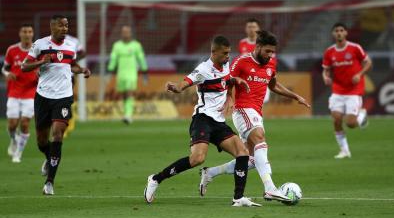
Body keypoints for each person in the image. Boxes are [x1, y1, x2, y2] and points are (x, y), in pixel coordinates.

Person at [144, 36, 261, 207]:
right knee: (198, 158)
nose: (228, 56)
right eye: (225, 53)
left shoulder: (225, 64)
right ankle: (155, 179)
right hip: (202, 120)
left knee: (243, 153)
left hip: (218, 122)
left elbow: (227, 80)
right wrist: (176, 87)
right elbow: (186, 82)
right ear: (214, 52)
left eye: (229, 53)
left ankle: (238, 198)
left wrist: (232, 89)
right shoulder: (203, 69)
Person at [199, 31, 310, 202]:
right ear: (258, 47)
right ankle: (270, 188)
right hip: (242, 109)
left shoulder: (271, 64)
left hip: (257, 112)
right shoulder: (242, 61)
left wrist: (295, 96)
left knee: (249, 159)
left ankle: (210, 172)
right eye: (267, 51)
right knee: (260, 139)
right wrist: (229, 96)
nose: (270, 55)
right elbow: (228, 78)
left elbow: (273, 85)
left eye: (272, 52)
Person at [21, 15, 91, 195]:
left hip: (64, 96)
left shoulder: (70, 46)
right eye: (62, 26)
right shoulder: (40, 44)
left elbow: (71, 65)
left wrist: (82, 70)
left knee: (58, 134)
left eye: (67, 26)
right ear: (53, 27)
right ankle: (48, 157)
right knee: (41, 141)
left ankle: (50, 182)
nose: (66, 29)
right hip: (43, 96)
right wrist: (41, 62)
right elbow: (24, 66)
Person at [322, 22, 372, 159]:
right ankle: (345, 151)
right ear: (333, 34)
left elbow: (368, 62)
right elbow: (325, 70)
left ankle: (361, 116)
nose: (339, 33)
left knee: (350, 124)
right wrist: (325, 77)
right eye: (336, 30)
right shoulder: (329, 51)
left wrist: (359, 74)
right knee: (336, 119)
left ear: (346, 33)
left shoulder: (355, 48)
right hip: (338, 90)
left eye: (341, 30)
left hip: (354, 90)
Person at [2, 24, 37, 163]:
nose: (27, 34)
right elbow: (5, 68)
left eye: (29, 31)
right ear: (20, 33)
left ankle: (18, 154)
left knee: (24, 123)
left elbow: (43, 67)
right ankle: (13, 140)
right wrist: (7, 74)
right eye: (24, 31)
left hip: (31, 91)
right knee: (12, 125)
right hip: (14, 91)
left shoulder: (38, 50)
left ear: (32, 34)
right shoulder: (12, 50)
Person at [107, 25, 148, 124]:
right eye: (124, 32)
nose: (125, 34)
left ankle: (128, 115)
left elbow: (141, 58)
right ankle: (126, 113)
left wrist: (144, 69)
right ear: (121, 33)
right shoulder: (117, 46)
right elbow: (113, 58)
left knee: (129, 92)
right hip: (121, 74)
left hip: (131, 74)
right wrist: (110, 68)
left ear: (130, 33)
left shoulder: (136, 45)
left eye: (127, 32)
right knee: (124, 94)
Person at [63, 34, 86, 138]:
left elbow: (83, 53)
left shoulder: (73, 40)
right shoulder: (49, 41)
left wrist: (72, 61)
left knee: (65, 101)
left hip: (69, 75)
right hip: (53, 77)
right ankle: (63, 124)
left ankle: (68, 124)